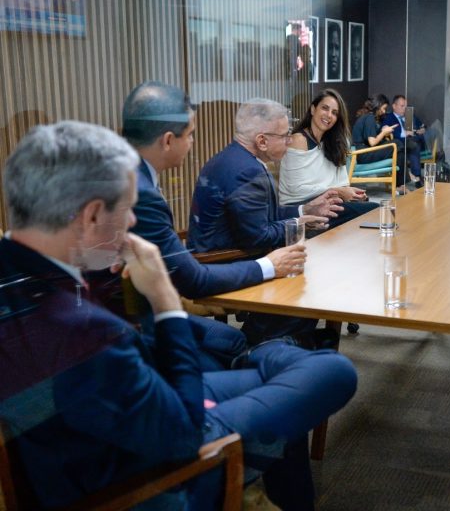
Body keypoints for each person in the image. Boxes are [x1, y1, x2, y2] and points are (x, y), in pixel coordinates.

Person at [0, 121, 357, 510]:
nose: (133, 223)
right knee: (332, 372)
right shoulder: (87, 331)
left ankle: (262, 356)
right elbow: (185, 434)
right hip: (148, 462)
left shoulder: (18, 272)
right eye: (126, 210)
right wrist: (168, 304)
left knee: (280, 375)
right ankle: (263, 353)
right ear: (89, 216)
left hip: (99, 417)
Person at [121, 81, 310, 369]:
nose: (193, 142)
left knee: (242, 340)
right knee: (292, 313)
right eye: (191, 135)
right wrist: (270, 265)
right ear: (168, 140)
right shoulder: (141, 195)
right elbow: (193, 281)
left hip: (163, 292)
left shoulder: (130, 174)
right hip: (142, 326)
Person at [187, 98, 344, 344]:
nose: (290, 141)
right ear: (261, 141)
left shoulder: (235, 158)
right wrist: (300, 223)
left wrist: (306, 209)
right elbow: (257, 236)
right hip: (222, 261)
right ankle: (255, 345)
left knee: (314, 271)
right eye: (285, 136)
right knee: (310, 286)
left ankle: (291, 343)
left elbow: (264, 217)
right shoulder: (246, 171)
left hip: (227, 251)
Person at [279, 88, 378, 221]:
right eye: (325, 108)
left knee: (367, 207)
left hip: (328, 201)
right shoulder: (298, 140)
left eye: (335, 113)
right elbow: (296, 189)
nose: (329, 115)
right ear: (313, 109)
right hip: (301, 207)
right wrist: (338, 191)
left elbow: (343, 183)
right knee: (374, 211)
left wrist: (351, 193)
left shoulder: (334, 143)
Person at [351, 93, 410, 193]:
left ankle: (400, 185)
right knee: (397, 144)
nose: (383, 111)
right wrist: (383, 132)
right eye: (383, 108)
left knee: (398, 149)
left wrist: (382, 130)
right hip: (362, 154)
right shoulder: (369, 118)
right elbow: (372, 142)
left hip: (364, 152)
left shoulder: (368, 117)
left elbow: (371, 138)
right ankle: (401, 185)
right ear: (377, 105)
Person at [381, 94, 423, 187]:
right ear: (394, 106)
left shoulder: (409, 115)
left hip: (411, 140)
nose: (404, 109)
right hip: (399, 142)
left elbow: (421, 125)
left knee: (415, 144)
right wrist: (405, 134)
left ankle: (416, 175)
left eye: (405, 106)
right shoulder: (389, 117)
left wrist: (421, 129)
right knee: (414, 146)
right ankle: (417, 176)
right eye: (402, 106)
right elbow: (385, 130)